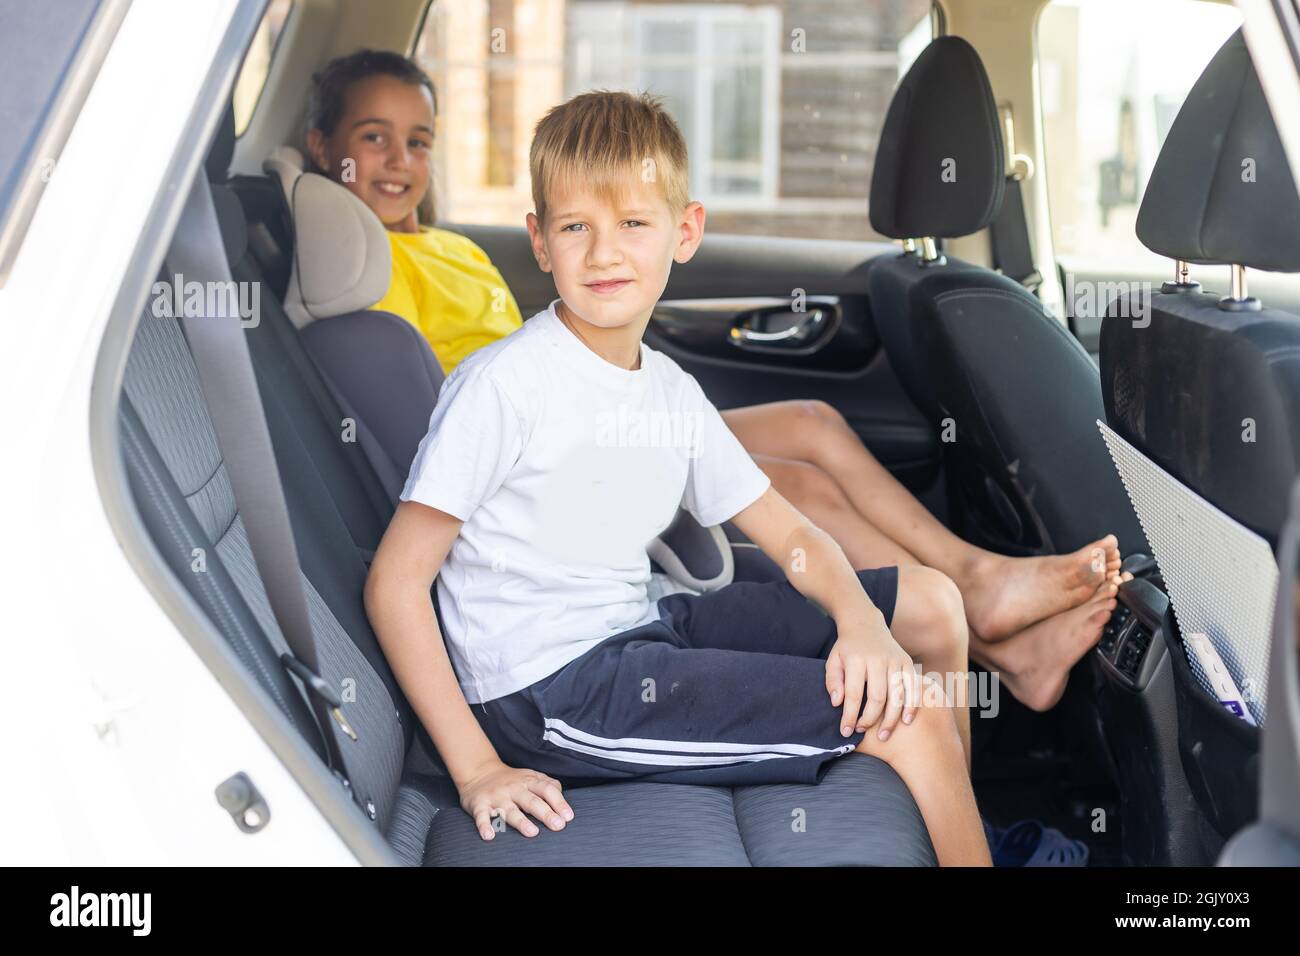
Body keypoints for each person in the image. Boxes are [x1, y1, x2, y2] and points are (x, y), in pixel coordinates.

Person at [307, 50, 1125, 718]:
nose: (400, 160)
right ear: (322, 147)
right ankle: (980, 604)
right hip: (552, 455)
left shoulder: (455, 251)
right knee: (796, 477)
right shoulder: (362, 282)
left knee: (810, 423)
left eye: (418, 141)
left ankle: (974, 590)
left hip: (597, 405)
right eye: (373, 138)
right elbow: (460, 430)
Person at [365, 87, 999, 865]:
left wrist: (862, 623)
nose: (604, 253)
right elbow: (396, 584)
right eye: (576, 227)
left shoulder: (666, 388)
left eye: (633, 223)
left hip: (639, 624)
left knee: (930, 604)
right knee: (908, 710)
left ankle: (961, 823)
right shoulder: (503, 388)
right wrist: (477, 768)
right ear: (539, 240)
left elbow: (793, 535)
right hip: (551, 689)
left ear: (685, 230)